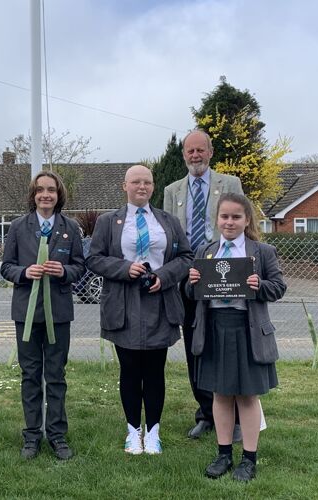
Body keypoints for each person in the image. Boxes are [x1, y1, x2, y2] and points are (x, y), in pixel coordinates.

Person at [87, 165, 193, 455]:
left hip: (160, 302)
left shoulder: (168, 221)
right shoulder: (109, 222)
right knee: (130, 370)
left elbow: (186, 256)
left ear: (153, 187)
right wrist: (124, 268)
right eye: (136, 182)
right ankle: (133, 431)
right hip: (123, 303)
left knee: (155, 371)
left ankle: (153, 431)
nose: (141, 187)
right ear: (125, 186)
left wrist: (164, 276)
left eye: (147, 182)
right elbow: (94, 259)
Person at [186, 193, 286, 482]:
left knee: (247, 396)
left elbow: (279, 287)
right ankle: (223, 454)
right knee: (220, 394)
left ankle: (249, 459)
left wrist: (260, 285)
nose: (229, 222)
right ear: (217, 219)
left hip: (247, 329)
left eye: (236, 217)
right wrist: (191, 284)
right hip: (215, 328)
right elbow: (192, 293)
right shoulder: (206, 251)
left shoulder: (262, 251)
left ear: (247, 220)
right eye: (224, 216)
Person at [163, 129, 244, 440]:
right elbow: (170, 234)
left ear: (210, 152)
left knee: (227, 345)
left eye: (200, 150)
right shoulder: (173, 190)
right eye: (189, 151)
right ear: (184, 154)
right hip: (188, 277)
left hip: (223, 272)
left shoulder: (230, 184)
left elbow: (239, 221)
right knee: (195, 347)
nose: (195, 156)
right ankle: (206, 413)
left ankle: (235, 417)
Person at [0, 171, 86, 460]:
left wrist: (64, 272)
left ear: (58, 194)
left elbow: (79, 267)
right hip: (26, 313)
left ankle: (58, 435)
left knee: (56, 375)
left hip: (59, 314)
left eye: (51, 190)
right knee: (30, 375)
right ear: (33, 195)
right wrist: (24, 273)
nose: (45, 195)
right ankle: (32, 435)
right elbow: (5, 266)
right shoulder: (18, 227)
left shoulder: (70, 228)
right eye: (40, 190)